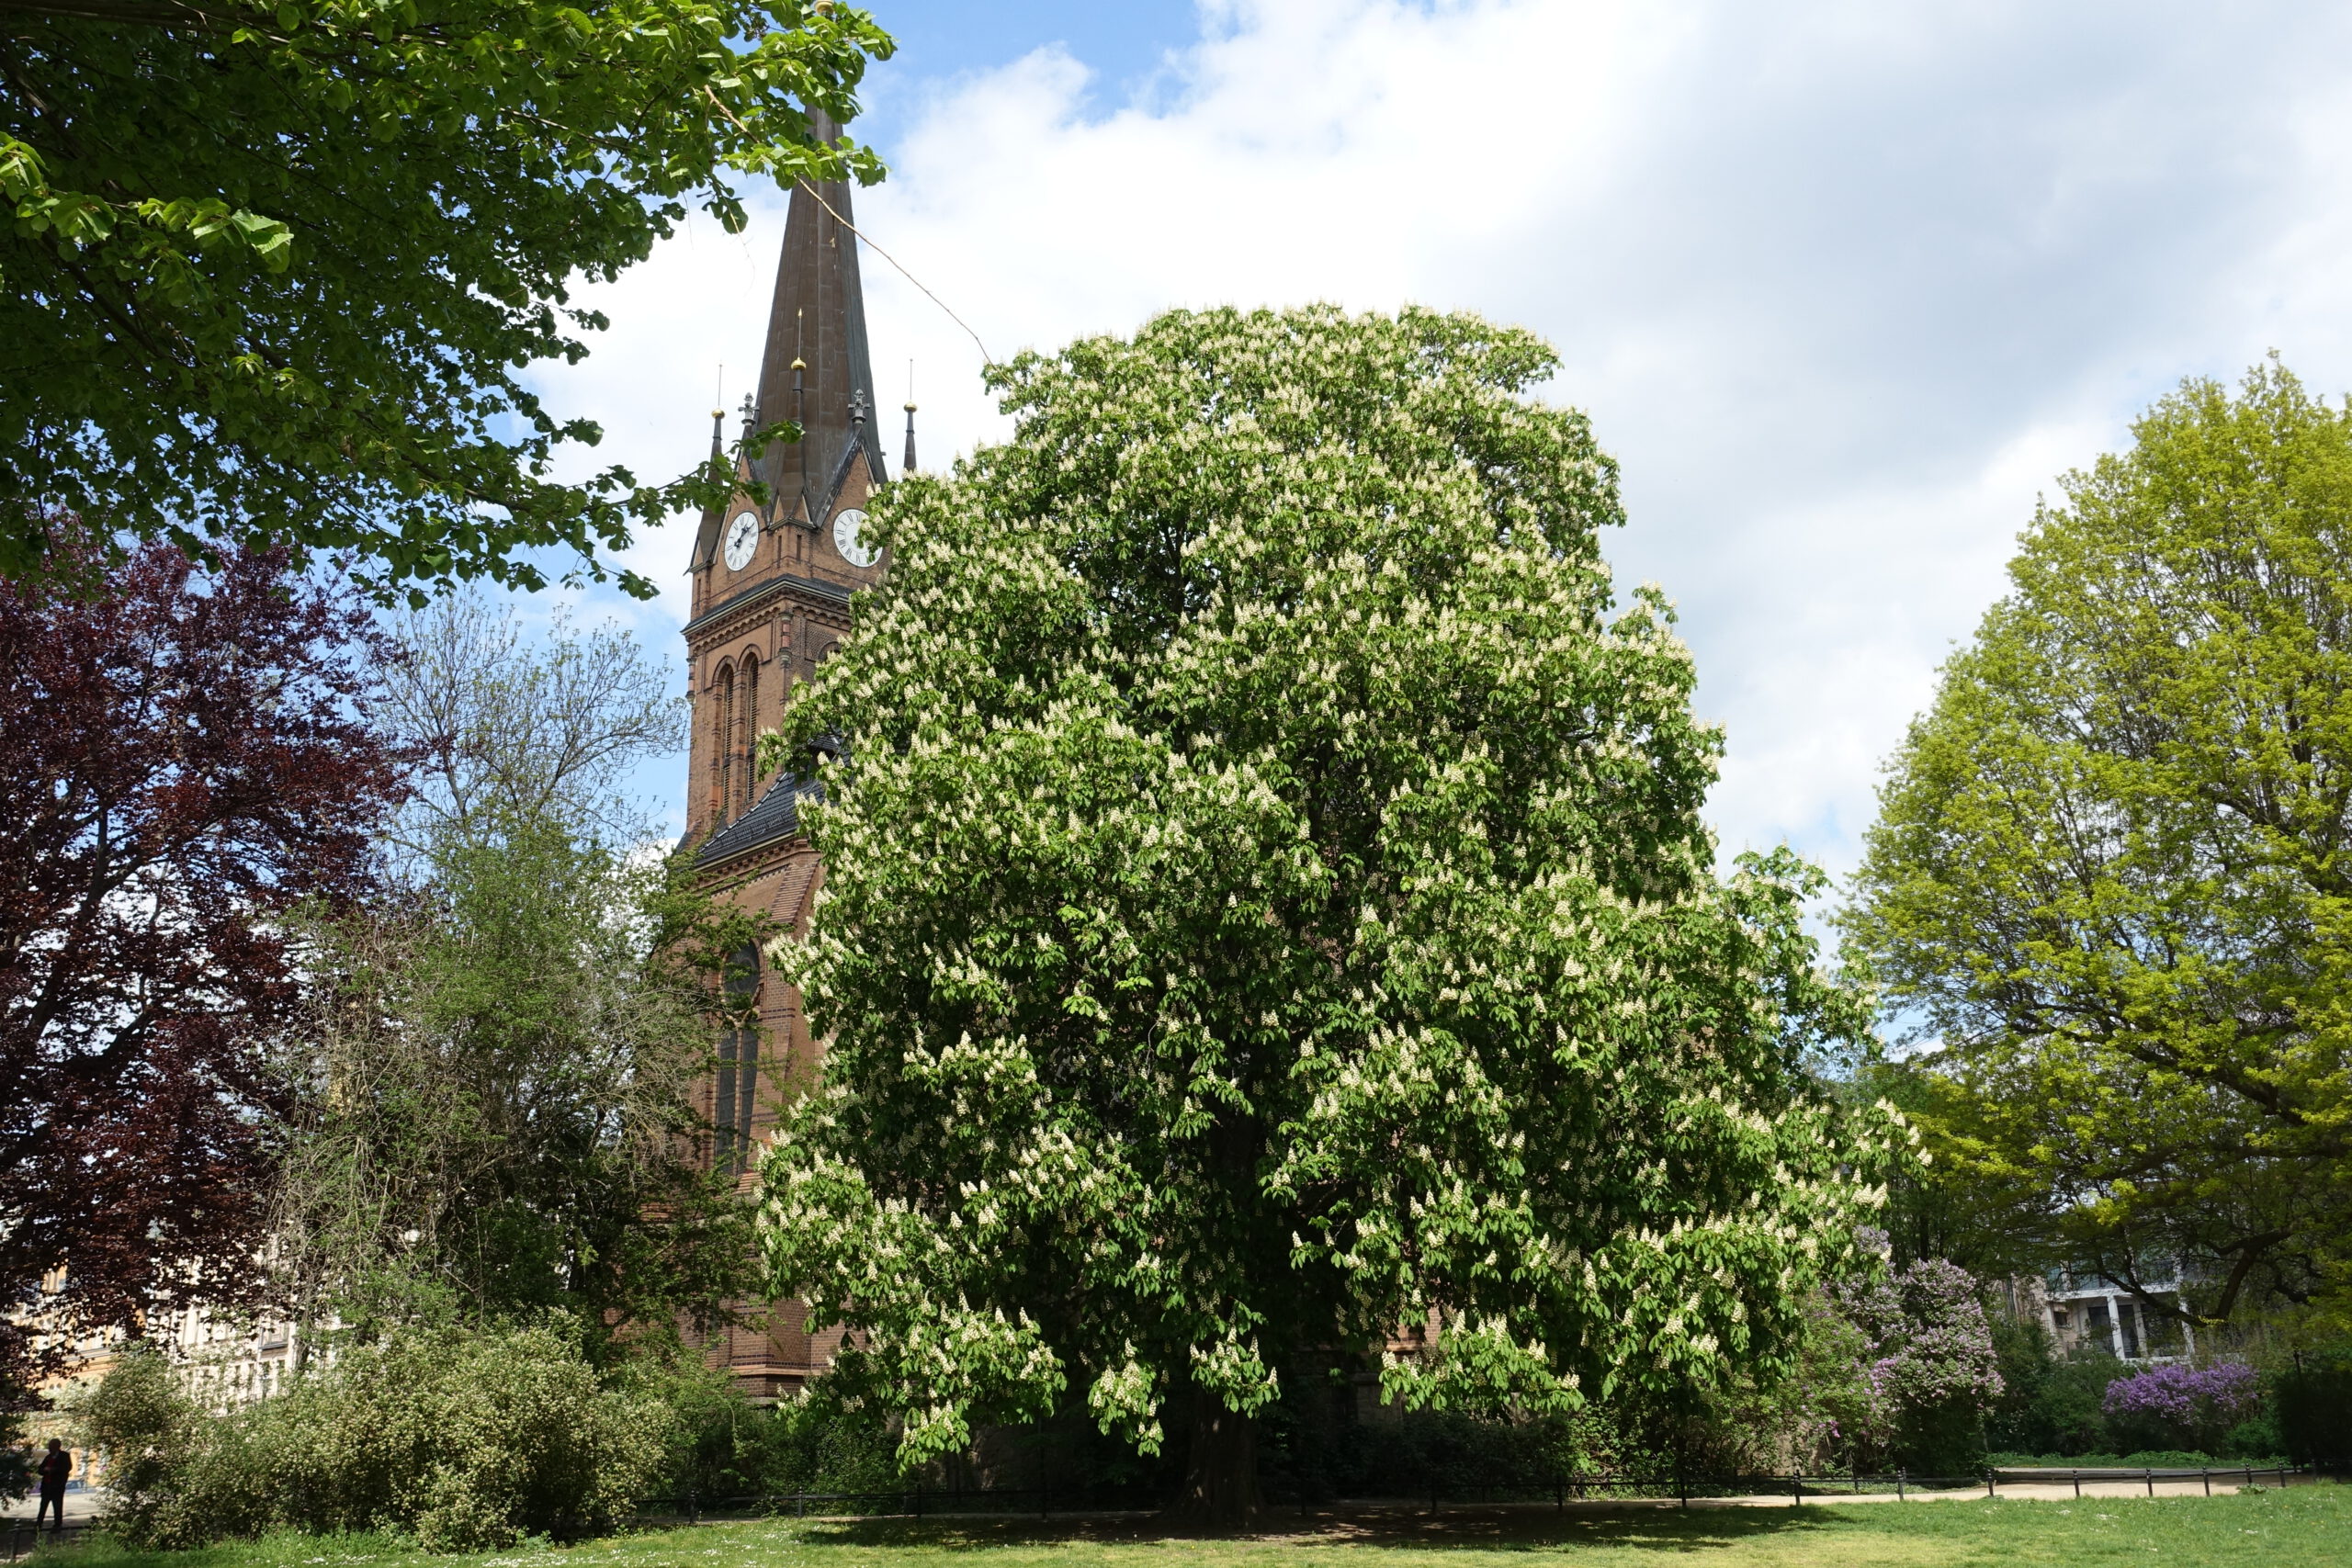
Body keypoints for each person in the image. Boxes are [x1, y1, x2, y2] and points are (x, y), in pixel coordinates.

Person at [34, 1438, 71, 1533]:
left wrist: (54, 1469)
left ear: (57, 1446)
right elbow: (40, 1470)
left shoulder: (64, 1456)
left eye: (51, 1446)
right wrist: (45, 1469)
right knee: (43, 1506)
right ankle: (38, 1526)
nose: (49, 1448)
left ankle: (57, 1526)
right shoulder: (48, 1457)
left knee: (57, 1507)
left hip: (57, 1486)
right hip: (46, 1486)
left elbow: (67, 1468)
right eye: (49, 1446)